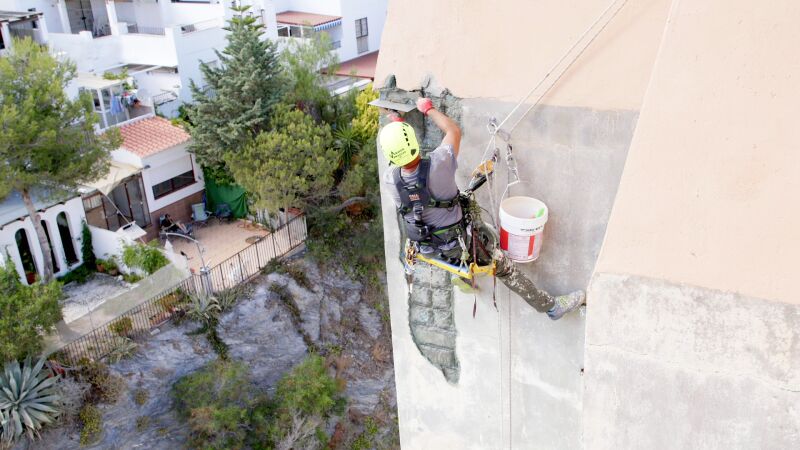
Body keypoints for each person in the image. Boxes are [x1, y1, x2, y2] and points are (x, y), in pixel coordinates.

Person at [381, 97, 584, 320]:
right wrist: (428, 109)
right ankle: (551, 307)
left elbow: (405, 170)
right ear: (414, 143)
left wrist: (397, 124)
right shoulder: (440, 163)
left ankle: (463, 273)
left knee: (456, 218)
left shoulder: (390, 181)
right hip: (461, 243)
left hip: (429, 246)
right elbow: (452, 130)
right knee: (503, 265)